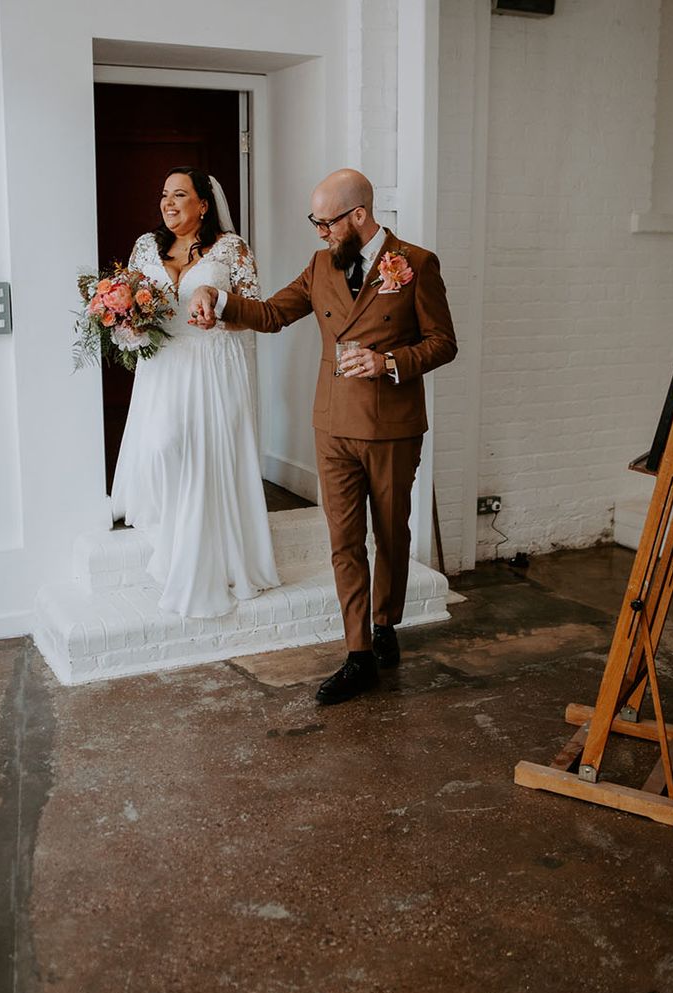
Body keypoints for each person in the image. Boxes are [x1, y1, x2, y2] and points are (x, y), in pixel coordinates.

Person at [189, 168, 457, 705]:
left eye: (326, 222)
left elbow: (442, 343)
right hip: (332, 425)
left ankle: (385, 623)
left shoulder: (416, 264)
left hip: (391, 429)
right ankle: (358, 654)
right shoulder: (319, 265)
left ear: (359, 215)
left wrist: (387, 362)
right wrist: (218, 300)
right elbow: (272, 314)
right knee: (344, 541)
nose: (319, 232)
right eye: (314, 222)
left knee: (391, 534)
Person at [110, 167, 279, 618]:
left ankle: (202, 548)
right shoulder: (145, 247)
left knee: (205, 456)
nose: (168, 203)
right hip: (163, 366)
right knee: (162, 445)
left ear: (203, 204)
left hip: (213, 364)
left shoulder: (231, 249)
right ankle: (174, 531)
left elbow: (254, 313)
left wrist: (220, 316)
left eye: (179, 194)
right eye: (164, 194)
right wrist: (126, 325)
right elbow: (129, 308)